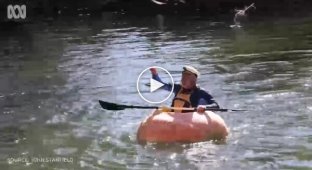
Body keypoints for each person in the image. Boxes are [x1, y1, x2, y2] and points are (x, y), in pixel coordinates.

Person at [150, 66, 220, 113]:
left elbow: (216, 105)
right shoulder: (177, 88)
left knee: (202, 102)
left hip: (190, 120)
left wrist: (205, 107)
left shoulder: (200, 92)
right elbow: (160, 85)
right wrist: (154, 74)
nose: (183, 80)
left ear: (193, 80)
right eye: (183, 77)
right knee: (160, 110)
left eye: (186, 78)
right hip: (174, 117)